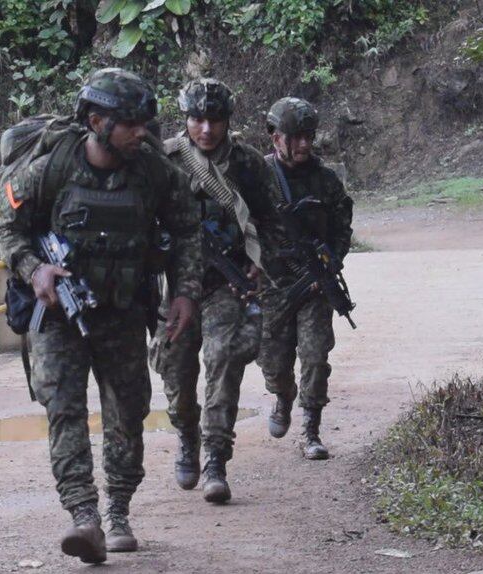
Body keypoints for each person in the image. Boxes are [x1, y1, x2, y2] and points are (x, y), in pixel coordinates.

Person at [0, 68, 202, 563]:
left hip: (124, 311)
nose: (140, 133)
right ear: (95, 121)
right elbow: (7, 227)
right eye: (129, 123)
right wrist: (34, 268)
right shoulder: (52, 167)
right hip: (59, 315)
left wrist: (185, 292)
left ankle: (120, 511)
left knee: (127, 412)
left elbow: (187, 229)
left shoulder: (153, 171)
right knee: (64, 411)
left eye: (143, 123)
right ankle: (84, 517)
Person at [149, 78, 275, 503]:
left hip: (226, 284)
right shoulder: (164, 160)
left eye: (215, 120)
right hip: (175, 286)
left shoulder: (247, 164)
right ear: (184, 119)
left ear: (227, 121)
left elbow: (270, 221)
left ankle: (216, 458)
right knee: (177, 374)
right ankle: (187, 438)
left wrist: (259, 263)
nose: (206, 129)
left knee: (223, 362)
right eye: (197, 119)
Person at [254, 97, 353, 460]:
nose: (304, 144)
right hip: (273, 285)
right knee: (273, 363)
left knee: (315, 355)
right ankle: (282, 396)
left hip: (313, 284)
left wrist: (331, 263)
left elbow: (343, 225)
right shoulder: (259, 176)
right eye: (296, 137)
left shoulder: (324, 180)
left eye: (309, 136)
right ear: (275, 137)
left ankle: (311, 428)